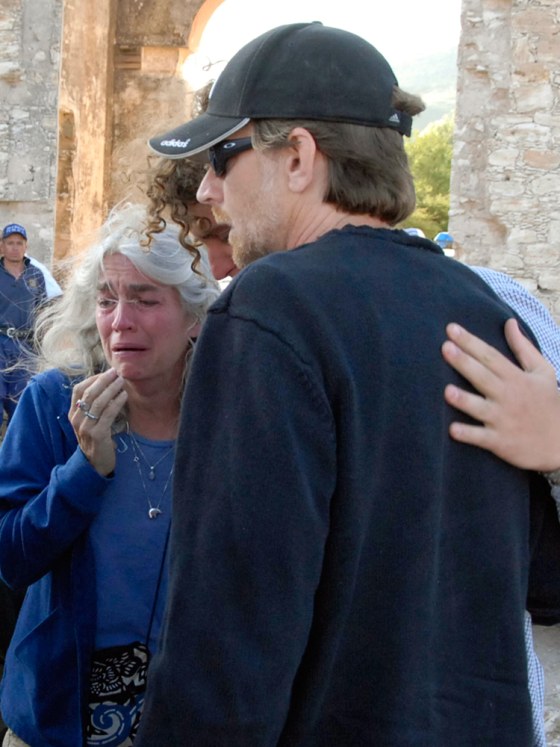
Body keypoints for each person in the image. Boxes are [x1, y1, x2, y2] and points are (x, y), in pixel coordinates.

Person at [136, 22, 560, 745]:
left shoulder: (271, 309)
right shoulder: (484, 312)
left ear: (298, 156)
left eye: (224, 155)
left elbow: (229, 641)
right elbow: (541, 585)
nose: (208, 190)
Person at [0, 203, 220, 747]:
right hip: (60, 718)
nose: (120, 320)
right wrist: (83, 471)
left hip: (188, 717)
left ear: (194, 317)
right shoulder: (52, 402)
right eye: (106, 300)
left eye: (145, 300)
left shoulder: (226, 414)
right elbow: (10, 557)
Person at [0, 223, 47, 424]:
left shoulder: (36, 274)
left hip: (26, 348)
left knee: (20, 405)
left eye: (19, 243)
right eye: (10, 243)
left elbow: (43, 311)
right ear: (2, 246)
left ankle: (13, 453)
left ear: (26, 246)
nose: (15, 247)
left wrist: (41, 343)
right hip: (0, 342)